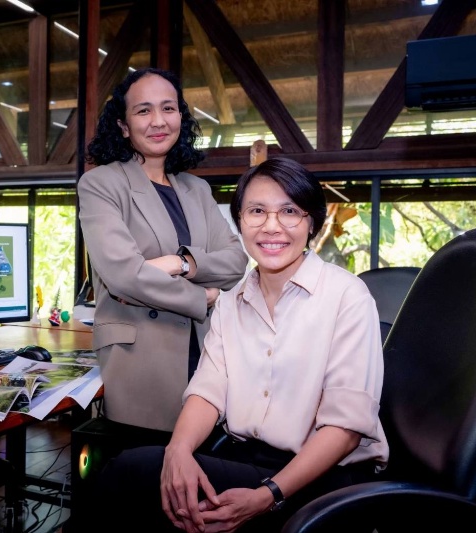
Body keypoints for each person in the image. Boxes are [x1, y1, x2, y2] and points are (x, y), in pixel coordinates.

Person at [94, 157, 389, 532]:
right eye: (257, 211)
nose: (272, 226)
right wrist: (178, 451)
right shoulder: (231, 301)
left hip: (324, 478)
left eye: (289, 211)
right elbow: (208, 391)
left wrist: (268, 495)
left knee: (131, 475)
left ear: (311, 221)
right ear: (240, 221)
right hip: (247, 460)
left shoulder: (347, 296)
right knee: (148, 478)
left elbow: (345, 430)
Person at [77, 67, 248, 433]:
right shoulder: (101, 184)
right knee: (146, 463)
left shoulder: (196, 189)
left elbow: (236, 261)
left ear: (180, 118)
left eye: (168, 108)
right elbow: (124, 276)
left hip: (206, 355)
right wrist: (202, 296)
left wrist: (179, 264)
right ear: (123, 126)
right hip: (141, 361)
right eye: (143, 110)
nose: (158, 120)